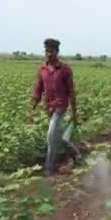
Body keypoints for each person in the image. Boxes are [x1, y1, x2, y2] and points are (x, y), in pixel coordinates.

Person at [32, 38, 82, 176]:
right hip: (48, 107)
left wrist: (74, 112)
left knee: (50, 135)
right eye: (47, 51)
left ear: (57, 52)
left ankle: (49, 167)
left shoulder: (65, 69)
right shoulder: (42, 70)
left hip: (61, 106)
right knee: (56, 136)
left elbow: (71, 92)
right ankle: (76, 155)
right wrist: (33, 107)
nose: (49, 54)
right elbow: (38, 88)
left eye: (51, 51)